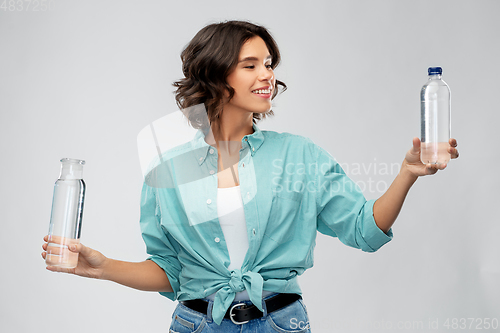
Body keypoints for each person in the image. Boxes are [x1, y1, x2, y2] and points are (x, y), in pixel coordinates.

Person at [42, 20, 459, 332]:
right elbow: (170, 273)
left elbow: (364, 230)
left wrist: (407, 173)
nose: (268, 75)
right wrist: (101, 267)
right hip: (196, 324)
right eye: (250, 65)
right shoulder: (165, 171)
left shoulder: (299, 155)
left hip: (281, 323)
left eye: (269, 64)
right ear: (216, 74)